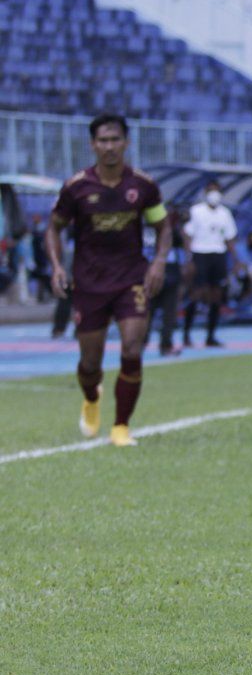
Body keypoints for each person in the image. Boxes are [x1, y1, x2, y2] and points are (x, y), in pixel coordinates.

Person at [44, 114, 172, 447]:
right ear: (93, 145)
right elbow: (53, 228)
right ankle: (91, 397)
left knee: (132, 347)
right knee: (90, 363)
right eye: (103, 140)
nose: (110, 146)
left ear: (126, 143)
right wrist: (57, 266)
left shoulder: (143, 186)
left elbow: (163, 226)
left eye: (116, 140)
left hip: (132, 279)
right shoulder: (77, 187)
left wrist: (159, 262)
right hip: (89, 283)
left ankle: (120, 427)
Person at [183, 180, 236, 348]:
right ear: (205, 193)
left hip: (218, 254)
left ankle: (211, 336)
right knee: (196, 294)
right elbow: (187, 234)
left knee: (216, 295)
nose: (214, 194)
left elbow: (229, 238)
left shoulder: (225, 213)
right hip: (200, 253)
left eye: (217, 190)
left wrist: (236, 260)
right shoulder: (196, 211)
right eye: (211, 190)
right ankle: (186, 334)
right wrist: (189, 257)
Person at [148, 204, 187, 357]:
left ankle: (166, 344)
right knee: (146, 312)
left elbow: (182, 246)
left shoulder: (173, 231)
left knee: (169, 313)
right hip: (150, 274)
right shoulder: (145, 229)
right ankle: (139, 344)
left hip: (171, 275)